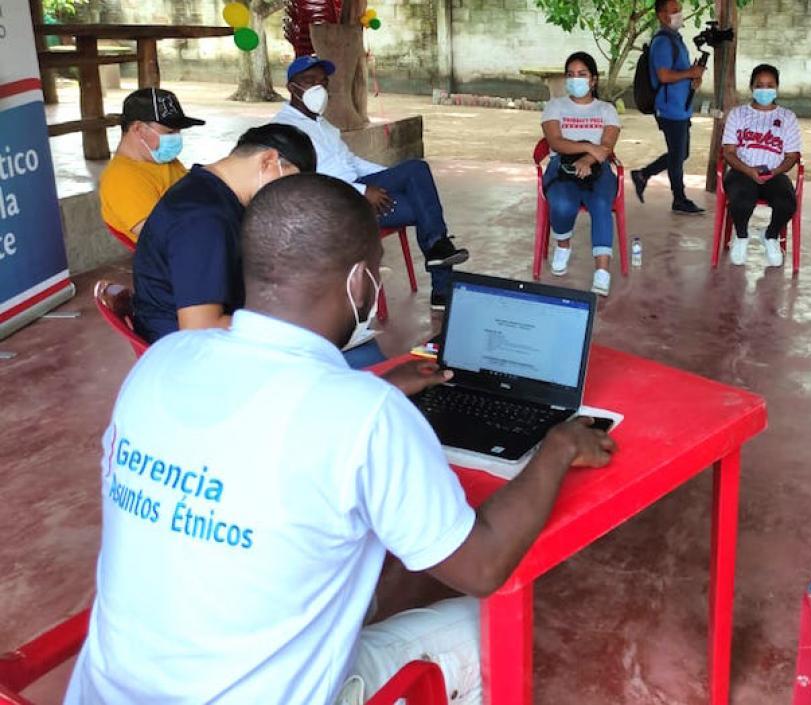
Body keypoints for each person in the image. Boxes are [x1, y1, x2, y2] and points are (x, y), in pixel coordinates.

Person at [65, 173, 617, 705]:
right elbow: (483, 565)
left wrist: (367, 387)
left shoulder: (163, 358)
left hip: (108, 689)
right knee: (488, 625)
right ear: (360, 283)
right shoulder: (363, 415)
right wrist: (560, 447)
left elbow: (260, 426)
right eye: (376, 270)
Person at [274, 55, 470, 310]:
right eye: (309, 81)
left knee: (415, 171)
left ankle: (438, 255)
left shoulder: (323, 124)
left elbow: (351, 161)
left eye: (323, 82)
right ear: (292, 87)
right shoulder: (283, 128)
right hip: (336, 203)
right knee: (420, 210)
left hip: (357, 185)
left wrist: (389, 182)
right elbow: (307, 181)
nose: (318, 89)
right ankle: (441, 283)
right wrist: (362, 191)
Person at [131, 124, 315, 345]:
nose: (288, 199)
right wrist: (291, 328)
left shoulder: (208, 189)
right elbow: (199, 328)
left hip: (193, 336)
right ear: (267, 161)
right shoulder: (203, 218)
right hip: (186, 352)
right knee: (348, 353)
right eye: (290, 185)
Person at [540, 51, 622, 296]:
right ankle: (563, 245)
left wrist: (589, 158)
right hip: (562, 166)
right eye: (571, 75)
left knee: (600, 204)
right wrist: (588, 146)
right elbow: (555, 142)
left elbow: (607, 146)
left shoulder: (606, 110)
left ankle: (602, 271)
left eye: (582, 75)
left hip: (598, 167)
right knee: (563, 204)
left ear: (593, 80)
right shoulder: (555, 106)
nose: (576, 80)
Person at [720, 63, 801, 268]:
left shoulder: (788, 117)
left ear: (777, 88)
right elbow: (728, 152)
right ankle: (741, 236)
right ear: (752, 87)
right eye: (760, 85)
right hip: (742, 170)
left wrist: (775, 171)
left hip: (774, 173)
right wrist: (748, 170)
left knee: (787, 203)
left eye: (769, 85)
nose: (765, 90)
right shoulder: (738, 115)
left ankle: (771, 236)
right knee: (741, 199)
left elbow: (792, 156)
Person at [630, 0, 707, 215]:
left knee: (681, 153)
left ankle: (643, 175)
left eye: (680, 10)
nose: (679, 14)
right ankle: (679, 199)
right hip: (670, 109)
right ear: (662, 15)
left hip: (680, 107)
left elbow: (678, 72)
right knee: (677, 154)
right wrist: (689, 74)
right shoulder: (663, 42)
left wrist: (692, 79)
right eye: (674, 11)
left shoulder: (675, 40)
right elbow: (663, 75)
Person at [98, 88, 204, 243]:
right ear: (139, 129)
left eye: (178, 132)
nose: (176, 138)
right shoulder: (121, 179)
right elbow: (164, 236)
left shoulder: (160, 159)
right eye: (169, 132)